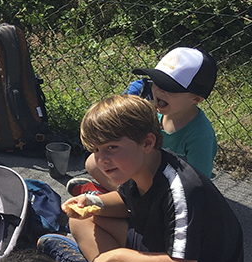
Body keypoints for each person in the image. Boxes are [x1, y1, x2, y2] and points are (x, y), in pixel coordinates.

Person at [39, 94, 243, 262]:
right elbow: (125, 201)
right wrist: (92, 202)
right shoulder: (140, 165)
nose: (101, 159)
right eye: (96, 149)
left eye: (111, 147)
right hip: (156, 247)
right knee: (80, 220)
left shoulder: (182, 189)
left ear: (147, 143)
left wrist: (121, 255)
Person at [68, 47, 218, 196]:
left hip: (173, 190)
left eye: (169, 88)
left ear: (196, 98)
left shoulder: (200, 135)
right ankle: (123, 197)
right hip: (146, 175)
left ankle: (120, 200)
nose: (159, 91)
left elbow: (199, 184)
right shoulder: (154, 113)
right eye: (157, 82)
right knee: (92, 163)